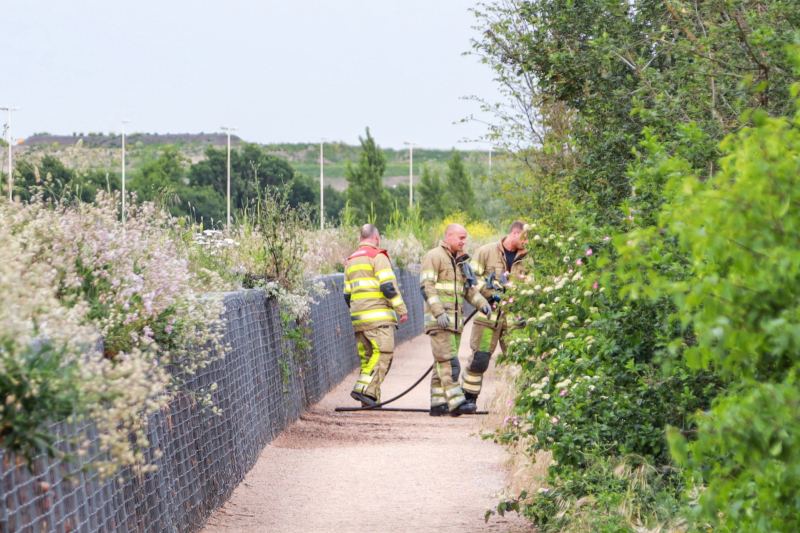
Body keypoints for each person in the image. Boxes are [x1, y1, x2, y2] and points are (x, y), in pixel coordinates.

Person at [420, 223, 493, 417]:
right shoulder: (434, 257)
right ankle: (456, 401)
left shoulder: (461, 261)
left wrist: (482, 303)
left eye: (465, 238)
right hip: (440, 321)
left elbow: (469, 290)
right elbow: (427, 287)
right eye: (461, 238)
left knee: (441, 362)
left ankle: (438, 404)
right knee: (448, 361)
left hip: (454, 322)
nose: (464, 241)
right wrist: (438, 313)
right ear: (449, 236)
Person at [463, 220, 530, 405]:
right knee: (480, 359)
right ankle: (468, 398)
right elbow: (472, 279)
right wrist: (491, 293)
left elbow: (533, 285)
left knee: (518, 360)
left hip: (515, 320)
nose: (528, 242)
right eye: (525, 237)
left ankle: (520, 401)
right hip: (488, 316)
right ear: (514, 234)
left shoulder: (528, 258)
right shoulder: (486, 251)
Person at [344, 224, 408, 407]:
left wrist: (359, 312)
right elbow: (388, 286)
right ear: (377, 238)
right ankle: (364, 390)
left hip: (359, 318)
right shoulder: (377, 256)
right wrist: (401, 310)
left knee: (369, 357)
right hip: (378, 317)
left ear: (360, 239)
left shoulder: (350, 260)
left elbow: (347, 294)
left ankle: (370, 400)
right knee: (383, 353)